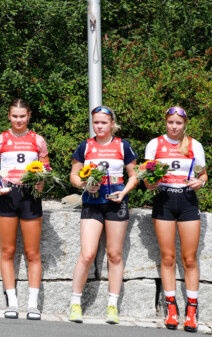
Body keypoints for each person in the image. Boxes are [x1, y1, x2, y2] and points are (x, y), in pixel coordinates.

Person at [68, 106, 139, 324]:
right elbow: (73, 174)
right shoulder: (86, 146)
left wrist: (124, 192)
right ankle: (75, 303)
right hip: (92, 203)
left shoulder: (122, 146)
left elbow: (134, 176)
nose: (99, 126)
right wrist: (83, 185)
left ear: (111, 124)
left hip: (116, 203)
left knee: (115, 255)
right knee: (87, 254)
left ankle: (112, 305)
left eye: (103, 122)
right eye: (96, 122)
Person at [144, 106, 208, 333]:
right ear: (166, 122)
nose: (174, 126)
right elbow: (146, 174)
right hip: (164, 200)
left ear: (184, 124)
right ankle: (171, 307)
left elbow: (203, 175)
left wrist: (200, 182)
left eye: (178, 123)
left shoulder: (194, 145)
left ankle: (192, 310)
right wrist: (148, 182)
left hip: (188, 201)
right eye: (170, 122)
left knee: (189, 259)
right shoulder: (155, 144)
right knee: (168, 258)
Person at [0, 99, 49, 320]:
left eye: (22, 116)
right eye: (15, 116)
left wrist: (41, 180)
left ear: (29, 116)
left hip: (30, 195)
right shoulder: (0, 140)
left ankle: (32, 304)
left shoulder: (38, 140)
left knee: (32, 253)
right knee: (8, 251)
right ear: (9, 116)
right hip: (7, 194)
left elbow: (45, 167)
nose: (19, 120)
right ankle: (12, 302)